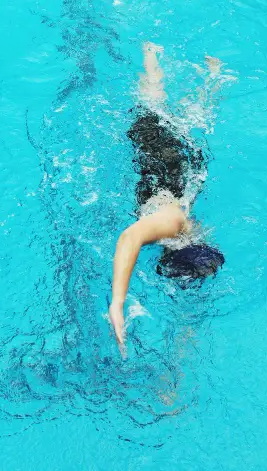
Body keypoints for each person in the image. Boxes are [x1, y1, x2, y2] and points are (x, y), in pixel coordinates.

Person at [108, 42, 226, 349]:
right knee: (156, 103)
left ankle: (210, 76)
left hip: (173, 170)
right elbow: (129, 238)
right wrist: (117, 304)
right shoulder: (173, 223)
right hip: (161, 153)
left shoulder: (181, 229)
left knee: (190, 116)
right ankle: (152, 54)